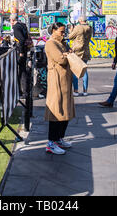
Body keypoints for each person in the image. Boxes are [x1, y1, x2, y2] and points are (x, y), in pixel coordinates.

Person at [45, 22, 75, 155]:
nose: (63, 34)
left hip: (65, 81)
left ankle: (58, 139)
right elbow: (60, 59)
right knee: (56, 112)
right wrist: (67, 55)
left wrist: (67, 54)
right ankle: (51, 143)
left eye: (64, 32)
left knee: (66, 111)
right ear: (53, 30)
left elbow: (67, 54)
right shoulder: (51, 43)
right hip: (56, 81)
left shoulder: (62, 43)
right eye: (61, 32)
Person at [68, 16, 92, 97]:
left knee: (75, 71)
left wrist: (71, 30)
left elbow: (70, 37)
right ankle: (85, 91)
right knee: (84, 70)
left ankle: (76, 90)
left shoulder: (78, 27)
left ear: (80, 20)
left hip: (77, 51)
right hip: (86, 50)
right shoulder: (89, 28)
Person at [10, 14, 29, 96]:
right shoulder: (23, 25)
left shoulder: (16, 27)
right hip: (24, 50)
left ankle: (19, 91)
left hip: (19, 52)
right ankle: (25, 90)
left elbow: (21, 39)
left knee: (19, 71)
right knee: (23, 70)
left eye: (10, 20)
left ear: (12, 20)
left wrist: (21, 52)